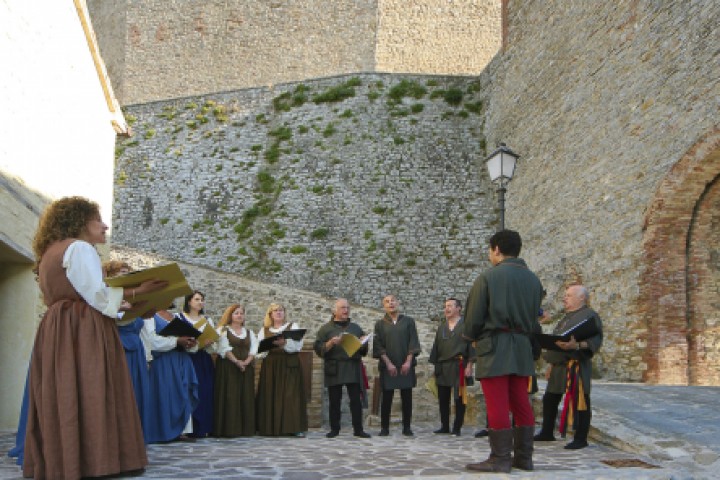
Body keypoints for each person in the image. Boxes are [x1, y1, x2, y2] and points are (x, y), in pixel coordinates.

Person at [23, 196, 167, 479]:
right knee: (93, 386)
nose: (104, 226)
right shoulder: (79, 248)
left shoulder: (50, 252)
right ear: (80, 221)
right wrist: (138, 291)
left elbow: (87, 294)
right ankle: (97, 461)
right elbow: (97, 295)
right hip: (82, 327)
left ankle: (69, 460)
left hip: (58, 327)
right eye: (98, 220)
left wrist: (128, 305)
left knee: (66, 389)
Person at [462, 230, 544, 473]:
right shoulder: (534, 280)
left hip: (495, 346)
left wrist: (472, 338)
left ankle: (500, 458)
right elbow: (534, 318)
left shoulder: (488, 277)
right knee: (521, 402)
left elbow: (473, 318)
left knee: (496, 402)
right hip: (521, 346)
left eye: (490, 249)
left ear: (496, 249)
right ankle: (524, 458)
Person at [534, 284, 603, 450]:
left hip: (575, 365)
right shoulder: (566, 317)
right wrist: (550, 364)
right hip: (558, 365)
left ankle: (581, 438)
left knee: (580, 401)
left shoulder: (590, 316)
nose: (564, 298)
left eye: (569, 295)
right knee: (550, 399)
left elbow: (596, 340)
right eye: (565, 295)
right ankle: (547, 431)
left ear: (582, 298)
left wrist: (577, 345)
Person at [313, 298, 372, 438]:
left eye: (347, 308)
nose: (346, 310)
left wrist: (363, 342)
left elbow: (363, 351)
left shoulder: (355, 328)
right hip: (334, 367)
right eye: (342, 308)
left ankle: (358, 429)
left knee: (355, 400)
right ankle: (335, 429)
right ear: (335, 311)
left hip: (352, 366)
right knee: (334, 400)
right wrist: (330, 343)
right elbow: (318, 348)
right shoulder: (326, 329)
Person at [144, 307, 200, 443]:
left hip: (181, 360)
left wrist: (190, 342)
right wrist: (176, 341)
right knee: (166, 394)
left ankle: (183, 430)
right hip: (164, 361)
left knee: (183, 393)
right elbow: (151, 340)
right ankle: (165, 430)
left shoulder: (176, 316)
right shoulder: (151, 316)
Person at [256, 303, 308, 436]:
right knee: (270, 394)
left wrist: (284, 343)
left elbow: (297, 346)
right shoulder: (264, 330)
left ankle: (294, 427)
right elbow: (259, 350)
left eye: (281, 310)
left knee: (291, 396)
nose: (278, 313)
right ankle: (270, 427)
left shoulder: (293, 327)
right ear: (270, 314)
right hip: (271, 366)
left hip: (289, 365)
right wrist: (269, 345)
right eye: (275, 311)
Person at [372, 294, 421, 437]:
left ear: (398, 302)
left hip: (406, 365)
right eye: (387, 302)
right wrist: (388, 363)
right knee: (387, 397)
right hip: (388, 366)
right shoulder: (380, 324)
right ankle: (384, 428)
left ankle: (407, 427)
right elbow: (378, 346)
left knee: (407, 397)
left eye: (393, 300)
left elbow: (413, 342)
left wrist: (408, 361)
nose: (390, 303)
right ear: (384, 306)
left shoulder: (409, 322)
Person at [429, 297, 475, 436]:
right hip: (443, 365)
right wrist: (435, 366)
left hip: (459, 365)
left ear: (459, 308)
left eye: (450, 306)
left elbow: (471, 346)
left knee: (459, 398)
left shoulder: (466, 325)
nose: (447, 309)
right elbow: (436, 347)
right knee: (443, 398)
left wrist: (469, 365)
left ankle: (457, 427)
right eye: (445, 306)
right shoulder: (442, 327)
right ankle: (444, 426)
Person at [177, 290, 218, 437]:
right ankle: (187, 428)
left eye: (202, 300)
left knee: (204, 391)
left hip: (203, 359)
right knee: (187, 391)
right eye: (197, 299)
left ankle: (203, 427)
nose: (200, 302)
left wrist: (209, 343)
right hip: (186, 358)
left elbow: (214, 344)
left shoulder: (207, 320)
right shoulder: (180, 318)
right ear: (189, 301)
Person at [214, 303, 258, 437]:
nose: (239, 315)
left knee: (246, 397)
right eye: (236, 313)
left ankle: (246, 429)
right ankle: (229, 429)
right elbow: (223, 348)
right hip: (228, 367)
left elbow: (254, 349)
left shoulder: (249, 332)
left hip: (245, 368)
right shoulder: (223, 330)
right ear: (230, 315)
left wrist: (246, 362)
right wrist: (236, 361)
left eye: (241, 313)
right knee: (230, 396)